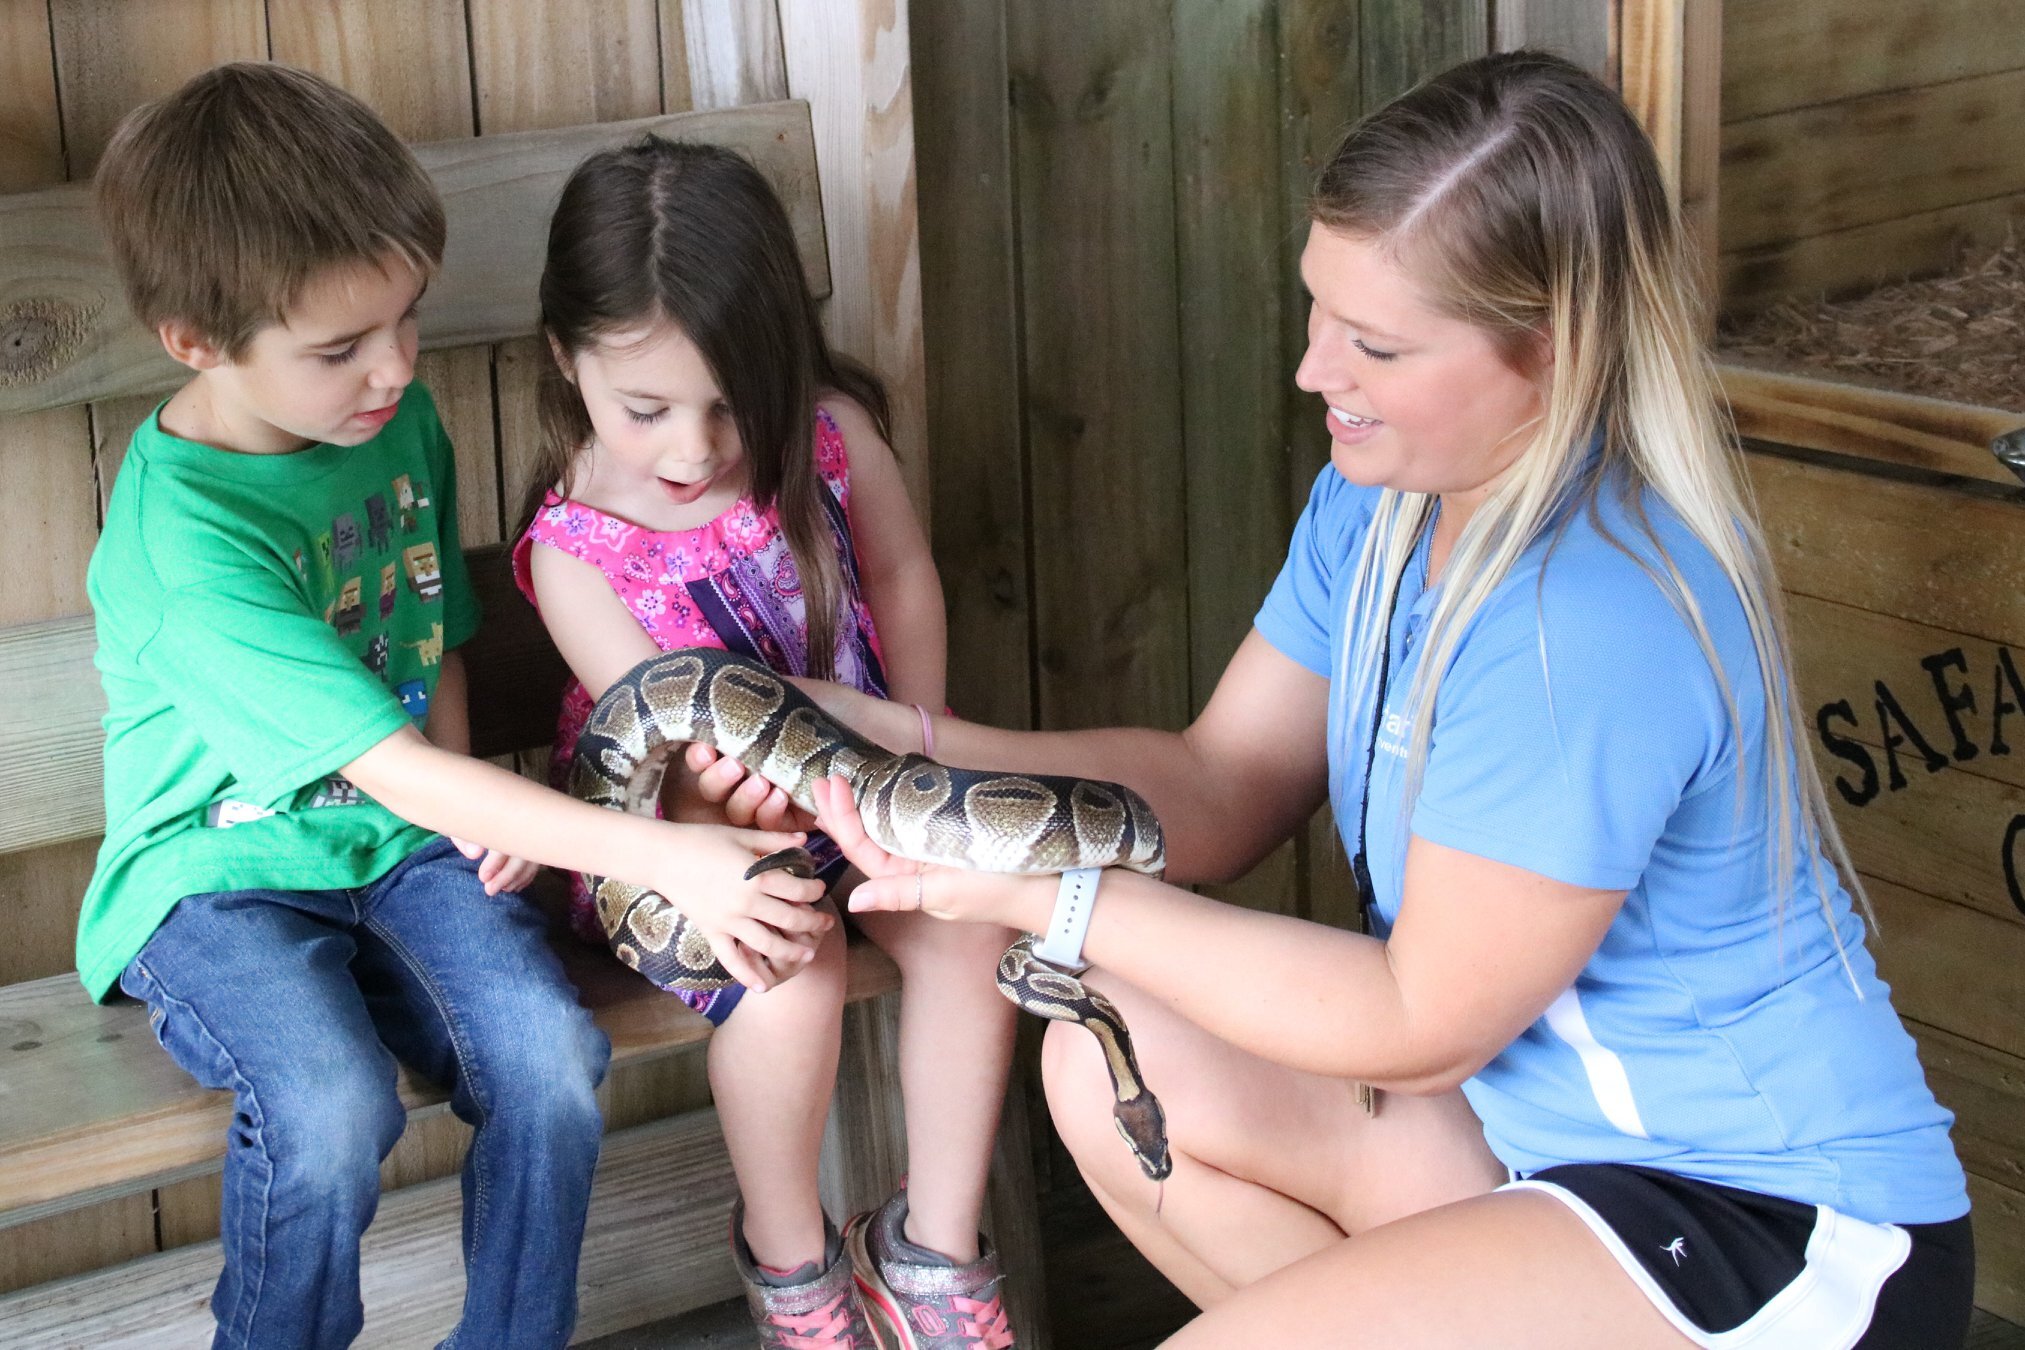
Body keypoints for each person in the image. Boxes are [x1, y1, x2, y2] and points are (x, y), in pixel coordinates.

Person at [785, 50, 1969, 1350]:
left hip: (1760, 1219)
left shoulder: (1587, 615)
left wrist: (1046, 895)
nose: (1314, 371)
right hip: (1541, 1148)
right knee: (1116, 1049)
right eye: (1319, 310)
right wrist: (918, 748)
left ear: (1552, 349)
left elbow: (1417, 1023)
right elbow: (1223, 779)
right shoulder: (1385, 504)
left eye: (1377, 344)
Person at [82, 64, 829, 1349]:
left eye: (405, 318)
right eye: (339, 350)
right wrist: (658, 852)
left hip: (403, 847)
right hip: (214, 879)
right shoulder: (185, 546)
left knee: (549, 1063)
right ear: (197, 341)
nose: (392, 368)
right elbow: (389, 764)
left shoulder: (392, 422)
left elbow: (433, 640)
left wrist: (468, 804)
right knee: (329, 1110)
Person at [511, 135, 1018, 1349]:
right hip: (687, 840)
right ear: (565, 359)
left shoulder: (830, 435)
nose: (694, 449)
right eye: (647, 410)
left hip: (867, 794)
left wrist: (919, 761)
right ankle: (796, 1276)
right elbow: (663, 738)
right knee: (796, 971)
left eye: (732, 404)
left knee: (977, 925)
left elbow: (902, 576)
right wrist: (730, 830)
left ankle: (936, 1257)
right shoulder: (577, 549)